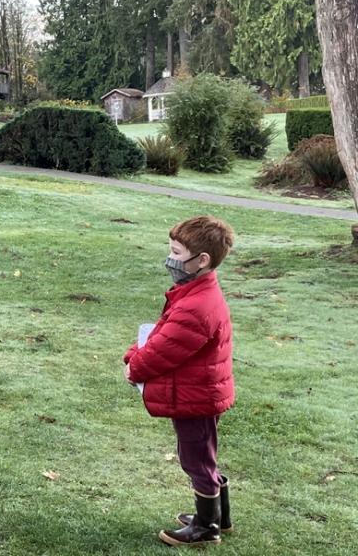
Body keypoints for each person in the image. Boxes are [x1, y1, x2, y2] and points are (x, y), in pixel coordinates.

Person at [123, 216, 236, 548]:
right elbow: (160, 332)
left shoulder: (197, 307)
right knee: (204, 454)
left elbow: (162, 352)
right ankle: (219, 516)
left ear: (201, 260)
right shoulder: (194, 291)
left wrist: (134, 368)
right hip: (198, 392)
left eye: (175, 252)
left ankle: (206, 528)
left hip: (196, 398)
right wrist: (134, 353)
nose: (170, 258)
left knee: (196, 459)